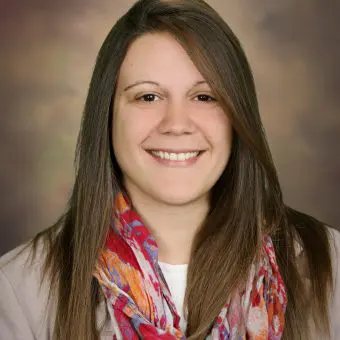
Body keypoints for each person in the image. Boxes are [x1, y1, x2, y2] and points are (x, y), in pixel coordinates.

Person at [1, 0, 339, 339]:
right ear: (107, 115)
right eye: (148, 97)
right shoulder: (18, 292)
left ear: (238, 116)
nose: (176, 125)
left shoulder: (332, 267)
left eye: (205, 97)